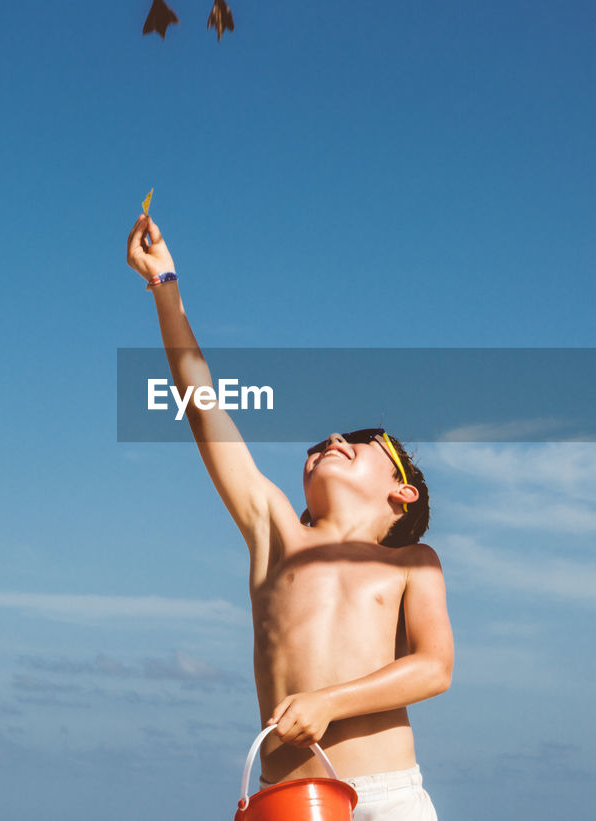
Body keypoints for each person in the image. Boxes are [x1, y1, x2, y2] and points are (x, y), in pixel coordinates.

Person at [126, 212, 453, 820]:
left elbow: (433, 668)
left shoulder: (412, 562)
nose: (333, 437)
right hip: (288, 805)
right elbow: (202, 407)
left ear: (400, 494)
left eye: (360, 441)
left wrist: (330, 701)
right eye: (326, 441)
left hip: (386, 797)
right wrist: (164, 284)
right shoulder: (275, 531)